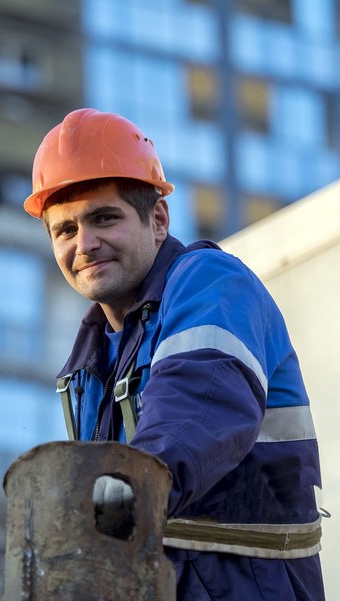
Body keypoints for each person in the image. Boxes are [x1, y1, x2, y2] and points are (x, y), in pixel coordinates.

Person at [24, 108, 325, 600]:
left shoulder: (210, 283)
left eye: (104, 218)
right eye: (65, 230)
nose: (85, 244)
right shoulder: (93, 362)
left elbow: (195, 409)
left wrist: (111, 496)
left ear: (158, 220)